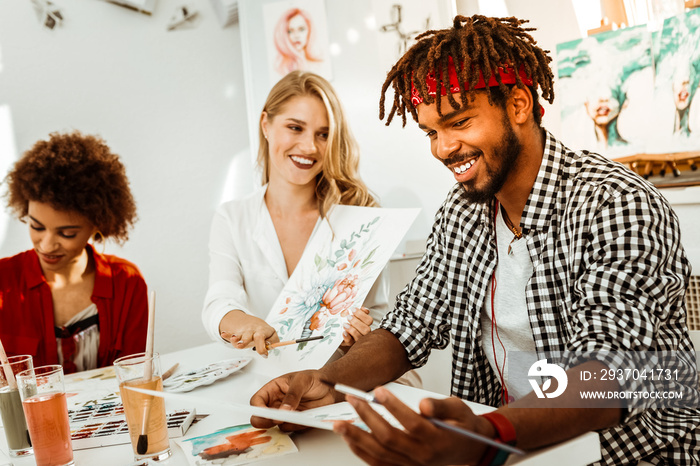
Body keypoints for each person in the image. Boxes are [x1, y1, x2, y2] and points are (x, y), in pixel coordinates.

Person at [249, 15, 699, 465]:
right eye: (431, 132)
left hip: (633, 454)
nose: (443, 148)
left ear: (519, 104)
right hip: (515, 445)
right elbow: (412, 322)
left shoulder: (614, 203)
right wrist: (331, 381)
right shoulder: (463, 210)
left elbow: (606, 375)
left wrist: (489, 435)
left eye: (459, 122)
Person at [202, 71, 390, 360]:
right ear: (266, 124)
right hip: (267, 382)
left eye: (323, 134)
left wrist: (361, 333)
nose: (310, 147)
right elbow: (219, 301)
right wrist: (247, 324)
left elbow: (379, 314)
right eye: (295, 127)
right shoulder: (232, 218)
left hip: (341, 383)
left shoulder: (360, 215)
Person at [0, 131, 147, 374]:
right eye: (36, 226)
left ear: (98, 223)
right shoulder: (3, 280)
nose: (46, 245)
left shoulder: (126, 282)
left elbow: (136, 377)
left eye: (66, 233)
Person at [273, 8, 323, 77]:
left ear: (309, 30)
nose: (296, 36)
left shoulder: (317, 63)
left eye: (301, 29)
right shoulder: (280, 67)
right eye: (290, 31)